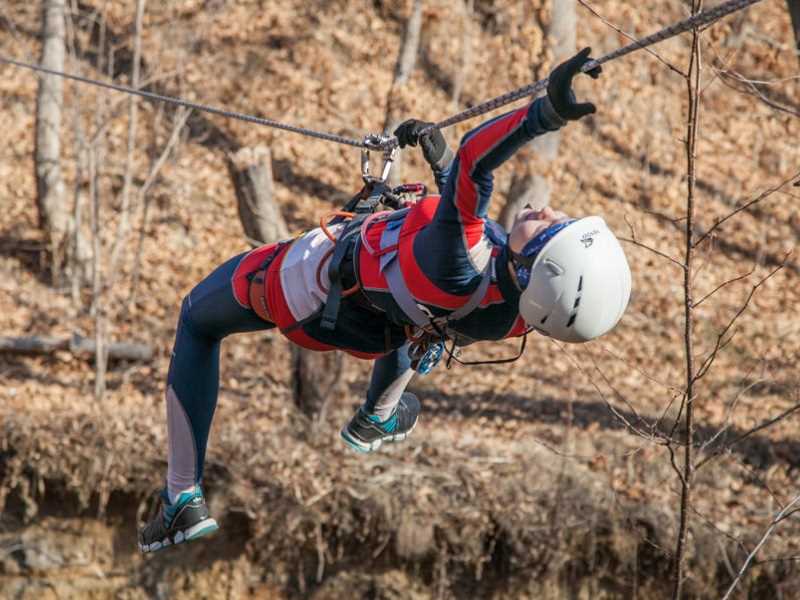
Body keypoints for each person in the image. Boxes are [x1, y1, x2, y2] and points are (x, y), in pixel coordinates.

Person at [138, 48, 631, 553]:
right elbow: (461, 222)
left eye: (552, 227)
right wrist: (440, 165)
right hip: (377, 322)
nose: (549, 209)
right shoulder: (516, 313)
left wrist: (542, 115)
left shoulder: (458, 260)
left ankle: (182, 497)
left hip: (301, 286)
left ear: (533, 269)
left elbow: (475, 166)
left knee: (197, 319)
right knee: (423, 321)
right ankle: (376, 416)